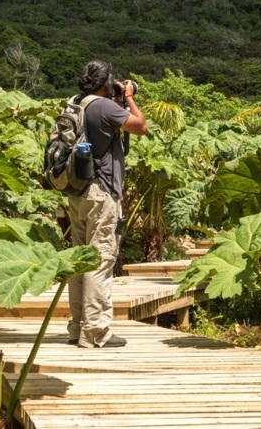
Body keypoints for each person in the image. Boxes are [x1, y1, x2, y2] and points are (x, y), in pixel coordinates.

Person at [66, 60, 147, 348]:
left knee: (79, 262)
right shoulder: (104, 107)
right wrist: (128, 97)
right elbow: (141, 126)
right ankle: (96, 331)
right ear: (105, 82)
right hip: (101, 193)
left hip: (77, 192)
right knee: (100, 260)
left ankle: (77, 327)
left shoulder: (76, 103)